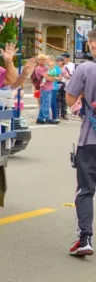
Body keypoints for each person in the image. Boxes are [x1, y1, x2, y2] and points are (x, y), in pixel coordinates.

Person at [64, 28, 96, 256]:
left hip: (90, 139)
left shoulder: (84, 69)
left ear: (91, 45)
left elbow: (69, 99)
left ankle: (85, 239)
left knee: (85, 190)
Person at [34, 55, 61, 125]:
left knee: (45, 103)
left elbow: (53, 76)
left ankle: (40, 118)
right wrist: (54, 78)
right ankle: (47, 118)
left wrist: (53, 77)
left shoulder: (45, 67)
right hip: (44, 87)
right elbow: (48, 78)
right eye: (40, 59)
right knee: (46, 103)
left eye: (43, 59)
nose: (42, 61)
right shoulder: (39, 68)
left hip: (48, 86)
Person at [59, 53, 74, 120]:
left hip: (68, 83)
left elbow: (72, 74)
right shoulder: (60, 65)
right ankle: (58, 113)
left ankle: (64, 114)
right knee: (59, 99)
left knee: (64, 100)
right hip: (60, 83)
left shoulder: (71, 65)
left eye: (64, 58)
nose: (63, 59)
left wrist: (68, 76)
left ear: (68, 58)